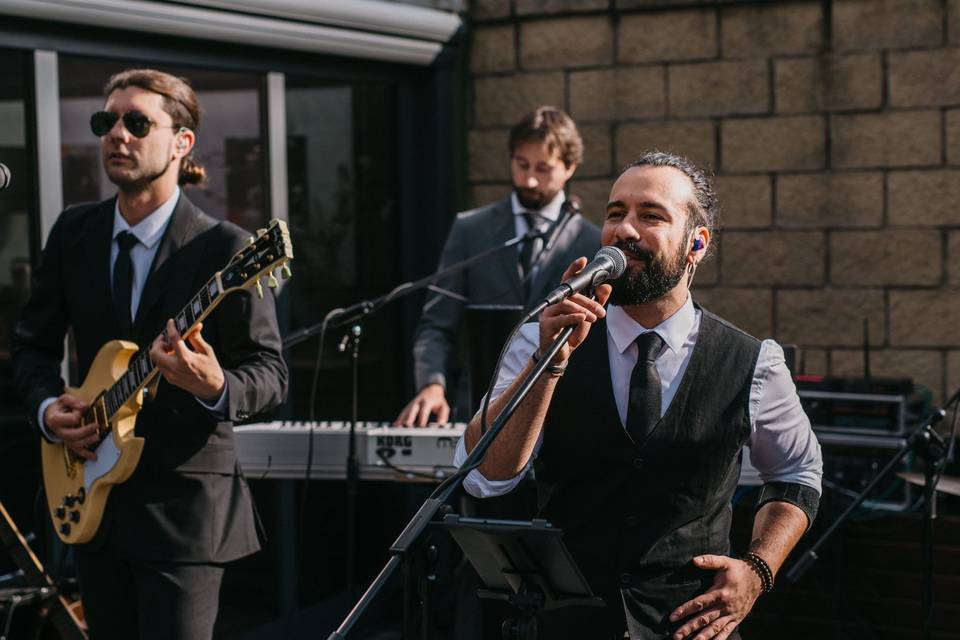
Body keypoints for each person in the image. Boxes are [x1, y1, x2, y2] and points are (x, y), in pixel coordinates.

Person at [456, 151, 823, 639]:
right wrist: (549, 363)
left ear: (697, 243)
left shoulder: (754, 362)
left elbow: (797, 473)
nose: (624, 230)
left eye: (650, 216)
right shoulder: (541, 339)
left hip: (690, 627)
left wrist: (758, 569)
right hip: (567, 622)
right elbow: (486, 478)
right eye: (615, 213)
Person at [11, 69, 287, 640]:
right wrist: (46, 410)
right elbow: (31, 346)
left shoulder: (226, 249)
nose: (117, 135)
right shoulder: (73, 233)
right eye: (105, 122)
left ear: (182, 143)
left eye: (137, 122)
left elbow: (270, 373)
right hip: (92, 501)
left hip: (184, 516)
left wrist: (213, 386)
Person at [395, 106, 600, 427]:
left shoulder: (592, 241)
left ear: (569, 167)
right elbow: (437, 324)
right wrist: (432, 384)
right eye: (521, 165)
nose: (530, 179)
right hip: (480, 410)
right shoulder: (470, 230)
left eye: (543, 168)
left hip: (562, 413)